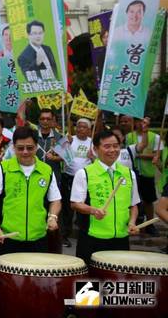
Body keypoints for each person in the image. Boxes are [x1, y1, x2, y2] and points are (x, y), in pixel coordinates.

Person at [0, 126, 61, 256]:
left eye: (30, 147)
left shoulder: (46, 170)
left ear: (37, 146)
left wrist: (53, 217)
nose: (25, 152)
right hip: (8, 237)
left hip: (38, 237)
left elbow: (55, 199)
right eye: (20, 148)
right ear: (13, 148)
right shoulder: (3, 168)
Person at [71, 130, 140, 264]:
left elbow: (134, 205)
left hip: (121, 239)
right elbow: (75, 204)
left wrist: (132, 222)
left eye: (116, 146)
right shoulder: (84, 173)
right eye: (107, 146)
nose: (112, 150)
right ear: (96, 149)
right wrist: (93, 210)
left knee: (117, 281)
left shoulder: (129, 174)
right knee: (91, 282)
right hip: (92, 239)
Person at [60, 118, 93, 248]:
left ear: (89, 130)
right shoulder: (69, 139)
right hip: (68, 177)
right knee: (67, 208)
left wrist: (93, 157)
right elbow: (56, 154)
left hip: (86, 179)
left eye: (84, 127)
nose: (80, 129)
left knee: (83, 207)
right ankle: (64, 235)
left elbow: (98, 161)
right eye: (78, 126)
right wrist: (64, 145)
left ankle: (84, 234)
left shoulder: (92, 143)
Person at [127, 117, 161, 236]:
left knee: (148, 200)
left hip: (147, 173)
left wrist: (139, 155)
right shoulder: (129, 136)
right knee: (132, 200)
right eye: (138, 121)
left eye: (144, 122)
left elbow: (156, 155)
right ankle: (132, 223)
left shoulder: (155, 137)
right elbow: (127, 153)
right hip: (133, 172)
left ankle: (150, 225)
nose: (140, 124)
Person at [37, 108, 63, 195]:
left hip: (54, 175)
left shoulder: (59, 137)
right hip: (35, 174)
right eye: (42, 118)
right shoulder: (32, 135)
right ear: (39, 120)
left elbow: (65, 158)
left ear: (52, 120)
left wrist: (54, 158)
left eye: (48, 119)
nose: (45, 121)